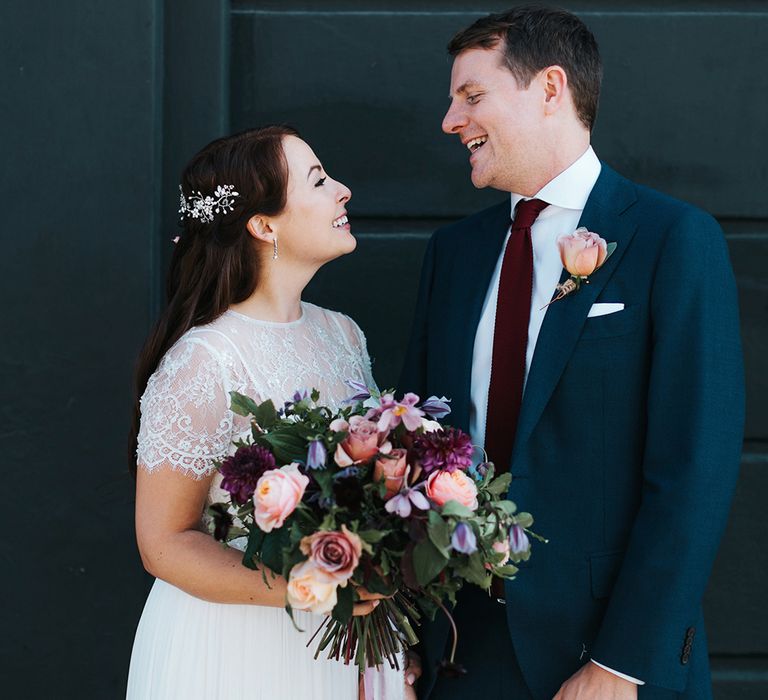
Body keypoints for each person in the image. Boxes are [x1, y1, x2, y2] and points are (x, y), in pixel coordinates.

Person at [400, 6, 744, 700]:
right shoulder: (453, 254)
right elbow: (415, 451)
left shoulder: (673, 239)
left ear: (550, 88)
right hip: (462, 657)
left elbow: (694, 471)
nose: (449, 120)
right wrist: (406, 640)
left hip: (608, 656)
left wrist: (622, 664)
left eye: (471, 96)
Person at [126, 126, 402, 699]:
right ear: (263, 224)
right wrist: (308, 585)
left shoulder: (343, 335)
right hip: (235, 647)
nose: (343, 190)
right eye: (319, 180)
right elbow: (164, 542)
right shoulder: (204, 360)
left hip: (346, 643)